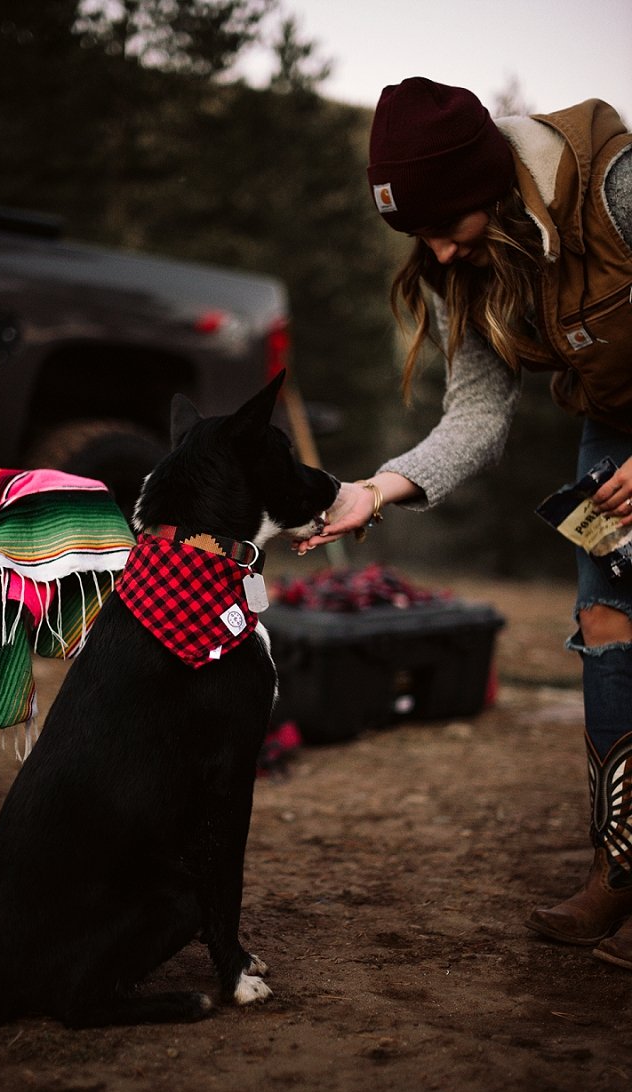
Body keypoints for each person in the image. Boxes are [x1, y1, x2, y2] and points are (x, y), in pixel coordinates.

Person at [295, 76, 632, 970]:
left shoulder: (616, 187)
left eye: (447, 224)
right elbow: (477, 415)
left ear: (492, 184)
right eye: (418, 235)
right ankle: (621, 868)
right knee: (607, 629)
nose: (439, 254)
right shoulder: (467, 262)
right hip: (616, 431)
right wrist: (379, 487)